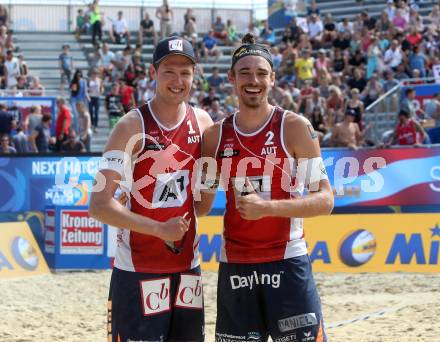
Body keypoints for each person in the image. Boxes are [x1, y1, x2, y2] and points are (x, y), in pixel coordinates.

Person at [198, 33, 333, 342]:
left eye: (261, 73)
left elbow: (325, 200)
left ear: (273, 79)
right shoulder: (214, 137)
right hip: (236, 269)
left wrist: (269, 208)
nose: (253, 80)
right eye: (244, 72)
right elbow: (201, 203)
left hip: (288, 264)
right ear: (231, 78)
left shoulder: (296, 127)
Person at [89, 36, 213, 341]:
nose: (178, 79)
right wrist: (159, 229)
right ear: (152, 73)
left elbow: (205, 201)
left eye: (185, 72)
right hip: (137, 270)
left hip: (187, 269)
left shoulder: (203, 122)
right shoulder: (130, 127)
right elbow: (99, 204)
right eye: (169, 70)